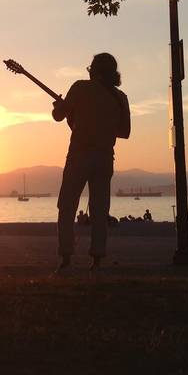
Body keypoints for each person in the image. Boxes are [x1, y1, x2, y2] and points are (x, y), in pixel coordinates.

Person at [52, 53, 131, 272]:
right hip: (105, 157)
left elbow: (59, 116)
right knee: (99, 209)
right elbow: (124, 132)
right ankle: (97, 259)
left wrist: (62, 108)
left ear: (93, 70)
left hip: (78, 155)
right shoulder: (120, 97)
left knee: (67, 206)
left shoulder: (80, 88)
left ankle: (66, 257)